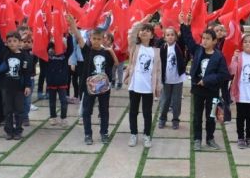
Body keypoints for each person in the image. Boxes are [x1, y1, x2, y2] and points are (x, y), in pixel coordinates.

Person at [180, 12, 229, 151]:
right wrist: (185, 25)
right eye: (203, 38)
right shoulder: (198, 51)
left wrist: (207, 80)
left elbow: (223, 74)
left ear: (214, 41)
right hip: (198, 90)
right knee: (197, 116)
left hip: (212, 91)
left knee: (211, 115)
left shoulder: (219, 56)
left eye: (208, 39)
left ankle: (210, 138)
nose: (204, 41)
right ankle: (197, 139)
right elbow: (188, 39)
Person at [69, 15, 118, 145]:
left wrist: (111, 51)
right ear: (90, 38)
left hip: (103, 87)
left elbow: (117, 63)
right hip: (89, 87)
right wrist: (73, 24)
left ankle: (104, 133)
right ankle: (88, 134)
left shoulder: (106, 52)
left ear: (103, 39)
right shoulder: (87, 51)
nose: (96, 41)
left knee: (104, 111)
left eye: (99, 39)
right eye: (94, 38)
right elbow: (79, 37)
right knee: (86, 111)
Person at [123, 16, 161, 148]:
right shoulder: (134, 47)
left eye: (147, 31)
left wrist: (158, 87)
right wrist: (146, 19)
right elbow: (132, 31)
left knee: (147, 112)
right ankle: (133, 134)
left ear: (152, 35)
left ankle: (146, 135)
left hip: (148, 88)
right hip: (134, 85)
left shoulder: (155, 51)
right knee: (133, 111)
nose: (144, 32)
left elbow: (158, 71)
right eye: (142, 30)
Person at [0, 31, 33, 140]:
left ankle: (18, 131)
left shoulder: (25, 56)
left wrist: (27, 86)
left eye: (15, 41)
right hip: (6, 87)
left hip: (19, 88)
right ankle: (9, 131)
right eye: (9, 41)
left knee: (19, 110)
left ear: (20, 42)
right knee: (7, 110)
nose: (12, 43)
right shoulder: (5, 53)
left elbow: (27, 73)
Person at [157, 27, 186, 130]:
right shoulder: (162, 48)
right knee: (165, 100)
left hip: (177, 79)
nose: (170, 37)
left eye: (172, 35)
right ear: (164, 37)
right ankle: (162, 118)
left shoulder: (179, 46)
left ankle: (175, 119)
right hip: (166, 79)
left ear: (176, 37)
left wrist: (183, 25)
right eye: (168, 35)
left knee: (176, 101)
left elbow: (184, 34)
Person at [46, 34, 74, 127]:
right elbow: (46, 47)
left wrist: (69, 35)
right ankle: (53, 117)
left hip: (62, 82)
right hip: (51, 82)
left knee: (63, 101)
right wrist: (52, 41)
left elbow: (70, 48)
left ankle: (63, 118)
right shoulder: (48, 56)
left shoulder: (64, 56)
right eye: (53, 48)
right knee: (52, 101)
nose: (55, 49)